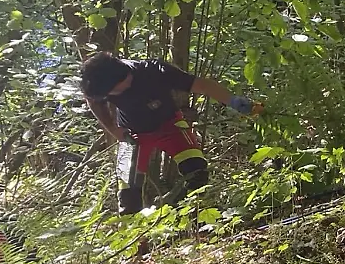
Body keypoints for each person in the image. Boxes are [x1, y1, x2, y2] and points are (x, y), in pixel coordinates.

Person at [79, 53, 263, 215]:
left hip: (170, 125)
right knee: (128, 194)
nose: (112, 94)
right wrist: (114, 130)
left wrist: (235, 102)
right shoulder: (101, 83)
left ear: (125, 76)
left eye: (114, 90)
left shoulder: (155, 71)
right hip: (132, 136)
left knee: (197, 172)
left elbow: (203, 85)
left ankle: (182, 216)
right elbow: (94, 102)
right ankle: (135, 247)